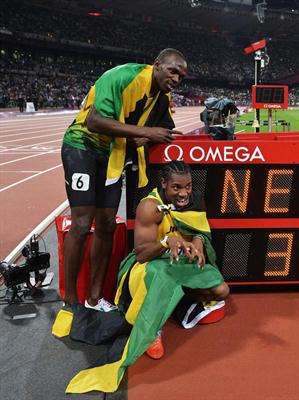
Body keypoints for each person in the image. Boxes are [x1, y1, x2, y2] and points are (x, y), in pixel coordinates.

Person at [62, 161, 229, 393]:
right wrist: (165, 242)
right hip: (148, 265)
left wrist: (197, 246)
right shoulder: (149, 207)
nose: (183, 193)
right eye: (177, 187)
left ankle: (178, 308)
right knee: (162, 275)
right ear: (163, 184)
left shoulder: (193, 198)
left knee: (221, 291)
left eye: (188, 186)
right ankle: (152, 329)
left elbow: (198, 231)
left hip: (178, 261)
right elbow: (141, 255)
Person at [59, 48, 187, 312]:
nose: (176, 79)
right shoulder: (121, 76)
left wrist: (148, 136)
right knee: (82, 223)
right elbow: (95, 121)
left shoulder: (161, 96)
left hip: (113, 155)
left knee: (106, 224)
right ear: (157, 64)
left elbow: (166, 128)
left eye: (181, 76)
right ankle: (70, 301)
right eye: (172, 71)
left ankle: (94, 300)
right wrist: (145, 132)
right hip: (82, 146)